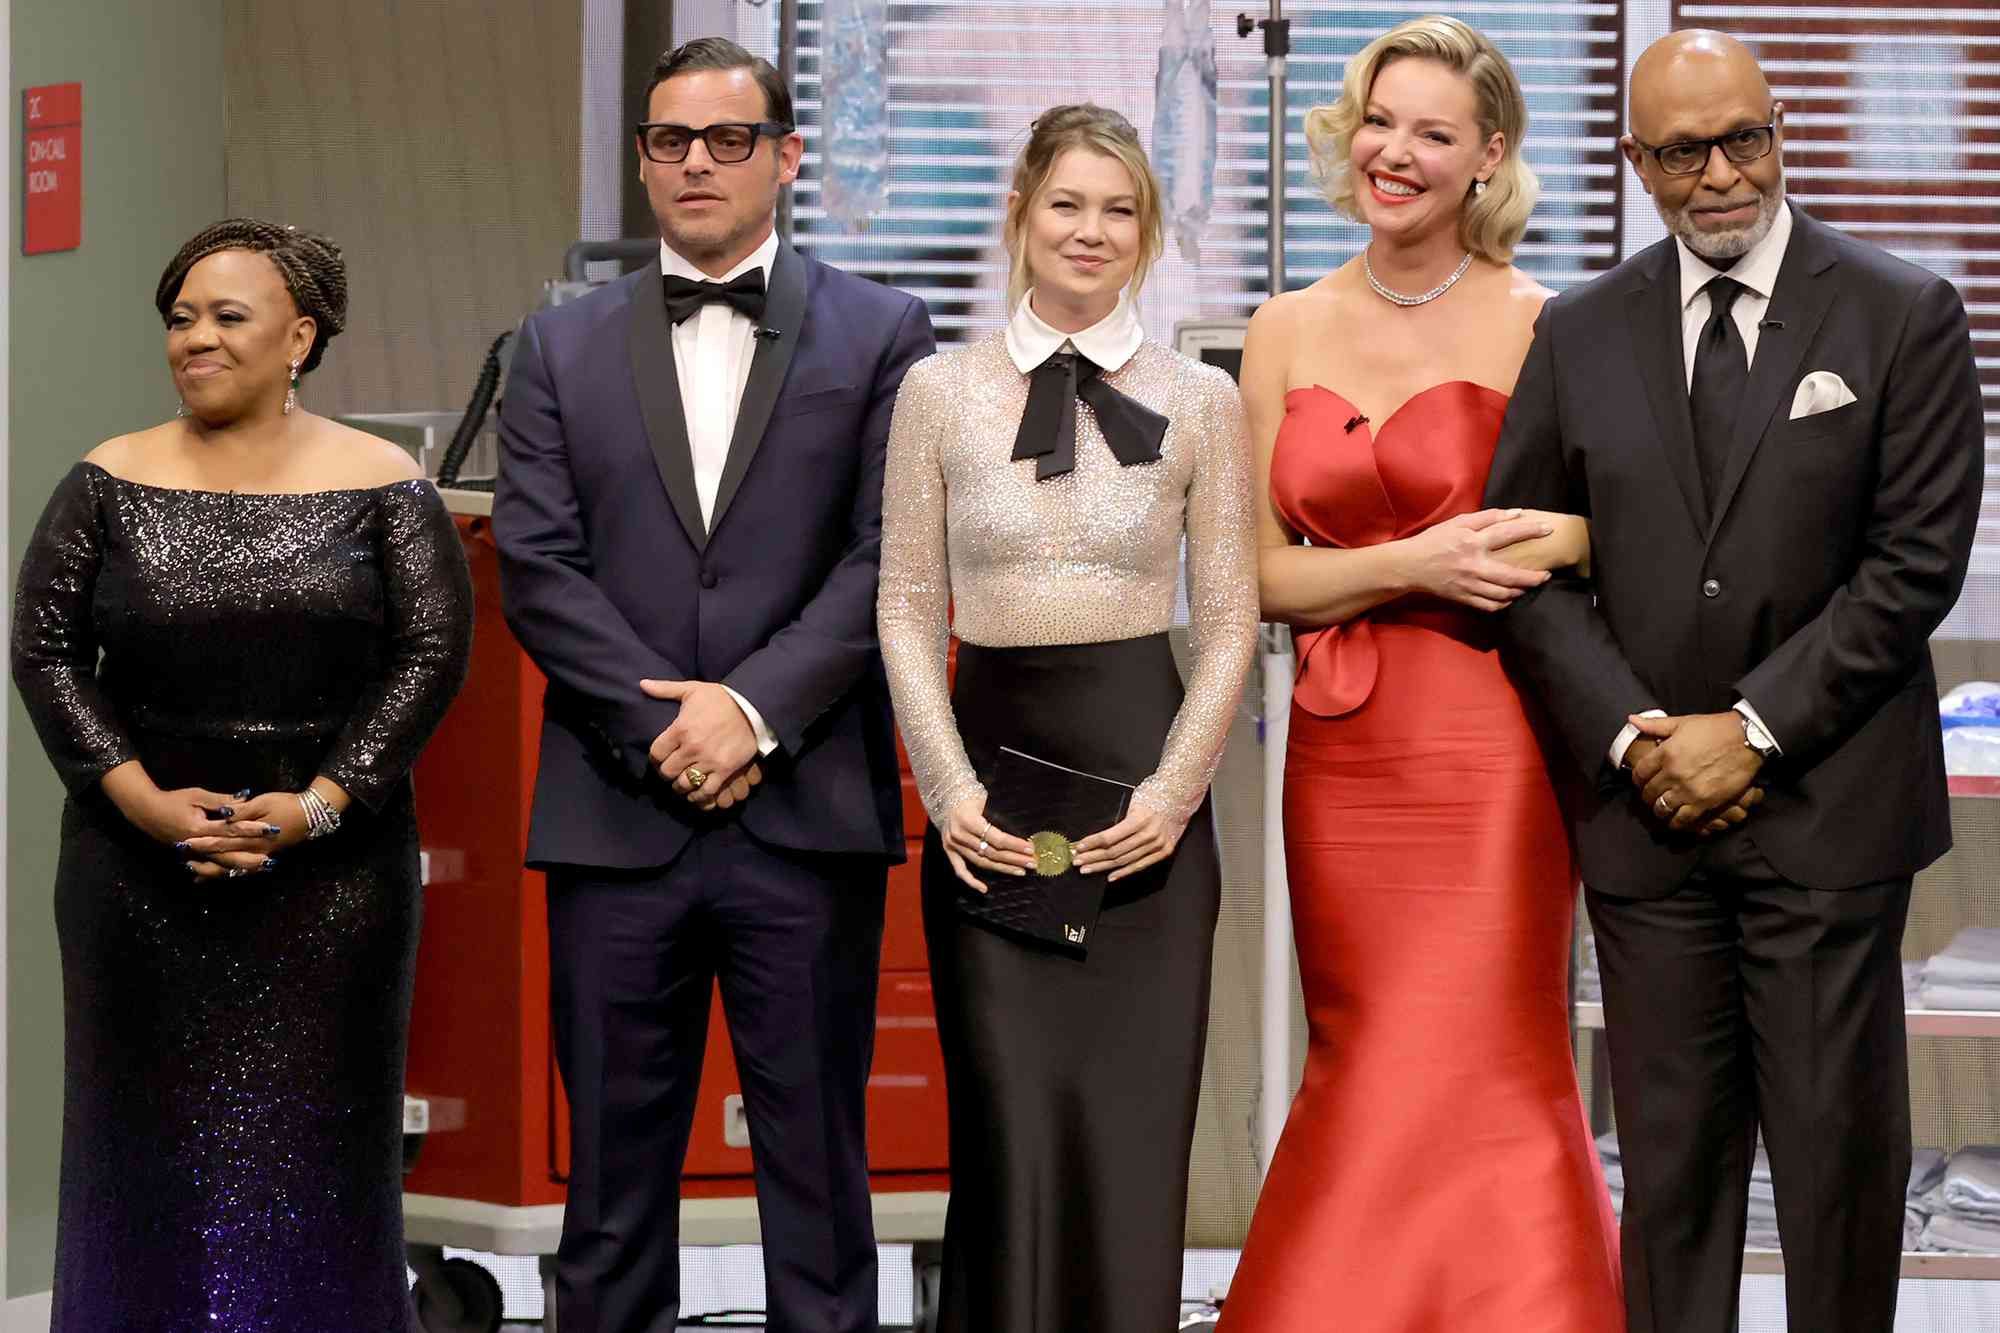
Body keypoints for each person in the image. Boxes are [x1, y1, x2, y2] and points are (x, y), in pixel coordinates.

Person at [1482, 29, 1983, 1333]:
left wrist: (1750, 730)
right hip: (1648, 829)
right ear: (1635, 160)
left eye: (1745, 138)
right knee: (1673, 1189)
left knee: (1835, 1183)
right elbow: (1527, 562)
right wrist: (1635, 736)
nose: (1722, 175)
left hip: (1829, 823)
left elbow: (1913, 565)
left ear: (1781, 133)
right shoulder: (1579, 330)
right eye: (1686, 150)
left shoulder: (1900, 312)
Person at [493, 36, 934, 1333]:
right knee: (612, 1196)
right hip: (614, 815)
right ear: (640, 161)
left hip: (803, 815)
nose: (695, 162)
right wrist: (664, 723)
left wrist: (746, 711)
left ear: (788, 158)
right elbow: (536, 563)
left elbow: (888, 556)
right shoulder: (557, 345)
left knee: (818, 1179)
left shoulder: (883, 330)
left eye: (727, 138)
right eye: (668, 140)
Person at [1217, 17, 1626, 1329]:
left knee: (1493, 1054)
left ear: (1488, 155)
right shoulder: (1280, 328)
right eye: (1380, 122)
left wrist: (1511, 549)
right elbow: (1260, 579)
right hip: (1342, 752)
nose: (1395, 152)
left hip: (1497, 742)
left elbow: (1621, 525)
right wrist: (1418, 562)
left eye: (1433, 133)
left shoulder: (1549, 324)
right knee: (1371, 1049)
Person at [10, 218, 473, 1331]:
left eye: (227, 317)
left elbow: (429, 656)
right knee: (139, 1153)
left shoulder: (384, 484)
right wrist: (136, 796)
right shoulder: (108, 478)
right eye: (179, 319)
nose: (195, 340)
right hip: (135, 874)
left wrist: (318, 805)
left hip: (332, 882)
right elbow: (46, 651)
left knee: (319, 1152)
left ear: (300, 337)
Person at [877, 103, 1257, 1333]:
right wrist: (948, 794)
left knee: (1130, 1135)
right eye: (1066, 204)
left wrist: (1171, 794)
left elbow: (1232, 620)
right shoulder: (937, 391)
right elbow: (904, 606)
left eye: (1119, 210)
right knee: (1011, 1127)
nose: (1090, 232)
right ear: (1020, 215)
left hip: (1143, 792)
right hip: (991, 795)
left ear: (1145, 233)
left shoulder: (1200, 397)